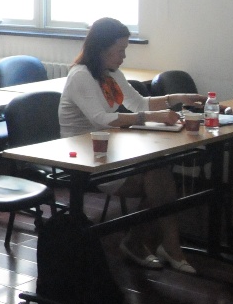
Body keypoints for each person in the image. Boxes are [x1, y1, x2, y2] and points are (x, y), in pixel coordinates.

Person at [60, 18, 205, 274]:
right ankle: (157, 245)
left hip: (110, 147)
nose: (124, 56)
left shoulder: (111, 74)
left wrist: (178, 98)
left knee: (159, 172)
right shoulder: (81, 76)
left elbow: (139, 103)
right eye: (120, 50)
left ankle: (158, 245)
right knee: (158, 179)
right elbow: (101, 118)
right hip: (86, 156)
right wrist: (152, 117)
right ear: (102, 49)